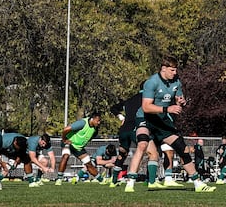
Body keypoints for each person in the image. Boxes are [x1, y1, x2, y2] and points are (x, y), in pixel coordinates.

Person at [123, 55, 215, 192]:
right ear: (163, 69)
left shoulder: (176, 81)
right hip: (145, 118)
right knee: (142, 144)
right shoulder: (151, 82)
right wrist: (167, 108)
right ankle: (130, 183)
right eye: (172, 70)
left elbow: (178, 98)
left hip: (162, 120)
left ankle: (198, 184)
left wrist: (180, 102)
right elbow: (146, 107)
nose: (175, 73)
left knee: (182, 148)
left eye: (176, 70)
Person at [56, 111, 102, 184]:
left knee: (88, 163)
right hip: (69, 143)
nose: (99, 123)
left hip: (78, 148)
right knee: (66, 156)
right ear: (92, 119)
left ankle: (101, 180)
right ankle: (59, 179)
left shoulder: (95, 130)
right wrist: (64, 139)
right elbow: (66, 129)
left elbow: (89, 138)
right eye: (98, 120)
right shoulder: (82, 123)